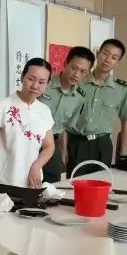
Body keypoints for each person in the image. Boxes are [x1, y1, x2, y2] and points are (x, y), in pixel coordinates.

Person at [66, 39, 127, 177]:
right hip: (76, 143)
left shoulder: (121, 88)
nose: (108, 60)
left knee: (101, 184)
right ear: (97, 53)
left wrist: (123, 153)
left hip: (102, 145)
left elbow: (126, 120)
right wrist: (63, 148)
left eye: (114, 58)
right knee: (74, 185)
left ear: (118, 62)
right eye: (105, 53)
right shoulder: (78, 81)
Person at [0, 58, 54, 191]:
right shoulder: (2, 105)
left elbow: (49, 146)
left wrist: (37, 166)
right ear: (22, 77)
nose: (35, 86)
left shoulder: (44, 111)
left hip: (31, 183)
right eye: (31, 79)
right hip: (1, 181)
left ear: (47, 84)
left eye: (41, 82)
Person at [38, 46, 95, 182]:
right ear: (65, 64)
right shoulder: (45, 83)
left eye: (83, 72)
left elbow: (65, 127)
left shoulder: (80, 98)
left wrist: (63, 150)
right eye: (74, 68)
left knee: (52, 183)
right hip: (30, 140)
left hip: (53, 144)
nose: (76, 75)